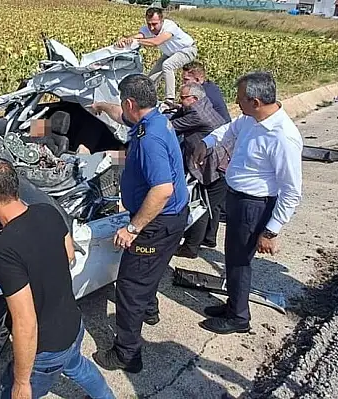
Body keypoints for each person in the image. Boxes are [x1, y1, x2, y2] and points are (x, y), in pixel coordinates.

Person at [0, 158, 115, 399]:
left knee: (10, 392)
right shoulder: (48, 211)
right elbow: (69, 256)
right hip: (72, 324)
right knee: (78, 366)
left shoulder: (3, 251)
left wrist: (21, 382)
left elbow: (25, 322)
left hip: (46, 348)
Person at [90, 74, 189, 373]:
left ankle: (126, 354)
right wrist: (102, 106)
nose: (122, 108)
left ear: (131, 102)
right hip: (172, 219)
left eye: (123, 103)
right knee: (152, 270)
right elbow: (124, 116)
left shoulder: (150, 140)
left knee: (130, 287)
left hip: (157, 222)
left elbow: (162, 190)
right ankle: (150, 310)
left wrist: (132, 228)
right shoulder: (154, 120)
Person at [192, 71, 303, 334]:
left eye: (240, 98)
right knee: (232, 258)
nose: (236, 102)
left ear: (255, 101)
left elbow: (291, 191)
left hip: (255, 206)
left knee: (240, 262)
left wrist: (271, 230)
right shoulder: (251, 119)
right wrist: (206, 143)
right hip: (238, 199)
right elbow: (228, 130)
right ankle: (233, 304)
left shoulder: (282, 136)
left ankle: (239, 318)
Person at [170, 82, 230, 259]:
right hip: (221, 163)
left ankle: (190, 247)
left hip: (213, 167)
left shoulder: (196, 114)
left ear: (194, 99)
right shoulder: (204, 104)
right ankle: (208, 239)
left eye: (183, 98)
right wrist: (178, 107)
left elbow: (170, 126)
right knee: (212, 204)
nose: (180, 101)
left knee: (200, 206)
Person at [116, 7, 198, 108]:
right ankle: (146, 100)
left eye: (155, 24)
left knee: (167, 65)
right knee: (150, 79)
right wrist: (126, 40)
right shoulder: (147, 28)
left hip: (187, 49)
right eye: (149, 24)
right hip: (170, 53)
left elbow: (156, 42)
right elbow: (139, 35)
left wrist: (136, 41)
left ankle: (169, 100)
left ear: (162, 21)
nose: (151, 28)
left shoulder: (170, 26)